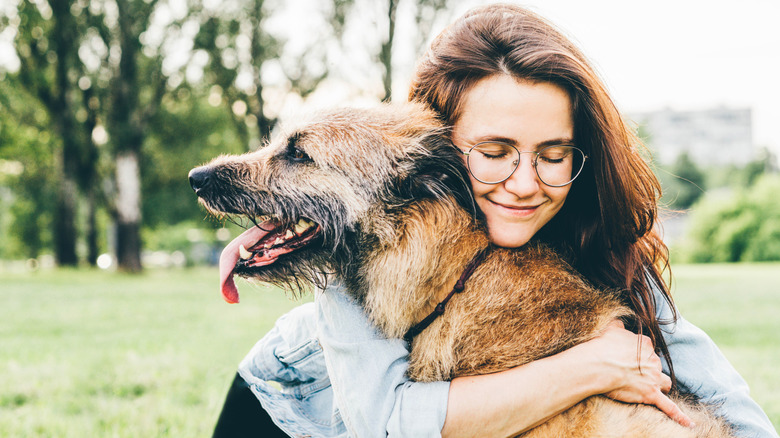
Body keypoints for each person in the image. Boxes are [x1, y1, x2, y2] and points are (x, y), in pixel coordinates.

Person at [211, 4, 778, 438]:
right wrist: (591, 366)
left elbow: (733, 410)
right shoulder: (371, 225)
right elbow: (387, 422)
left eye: (553, 154)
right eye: (494, 149)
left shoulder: (592, 235)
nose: (527, 182)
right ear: (439, 147)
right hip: (293, 407)